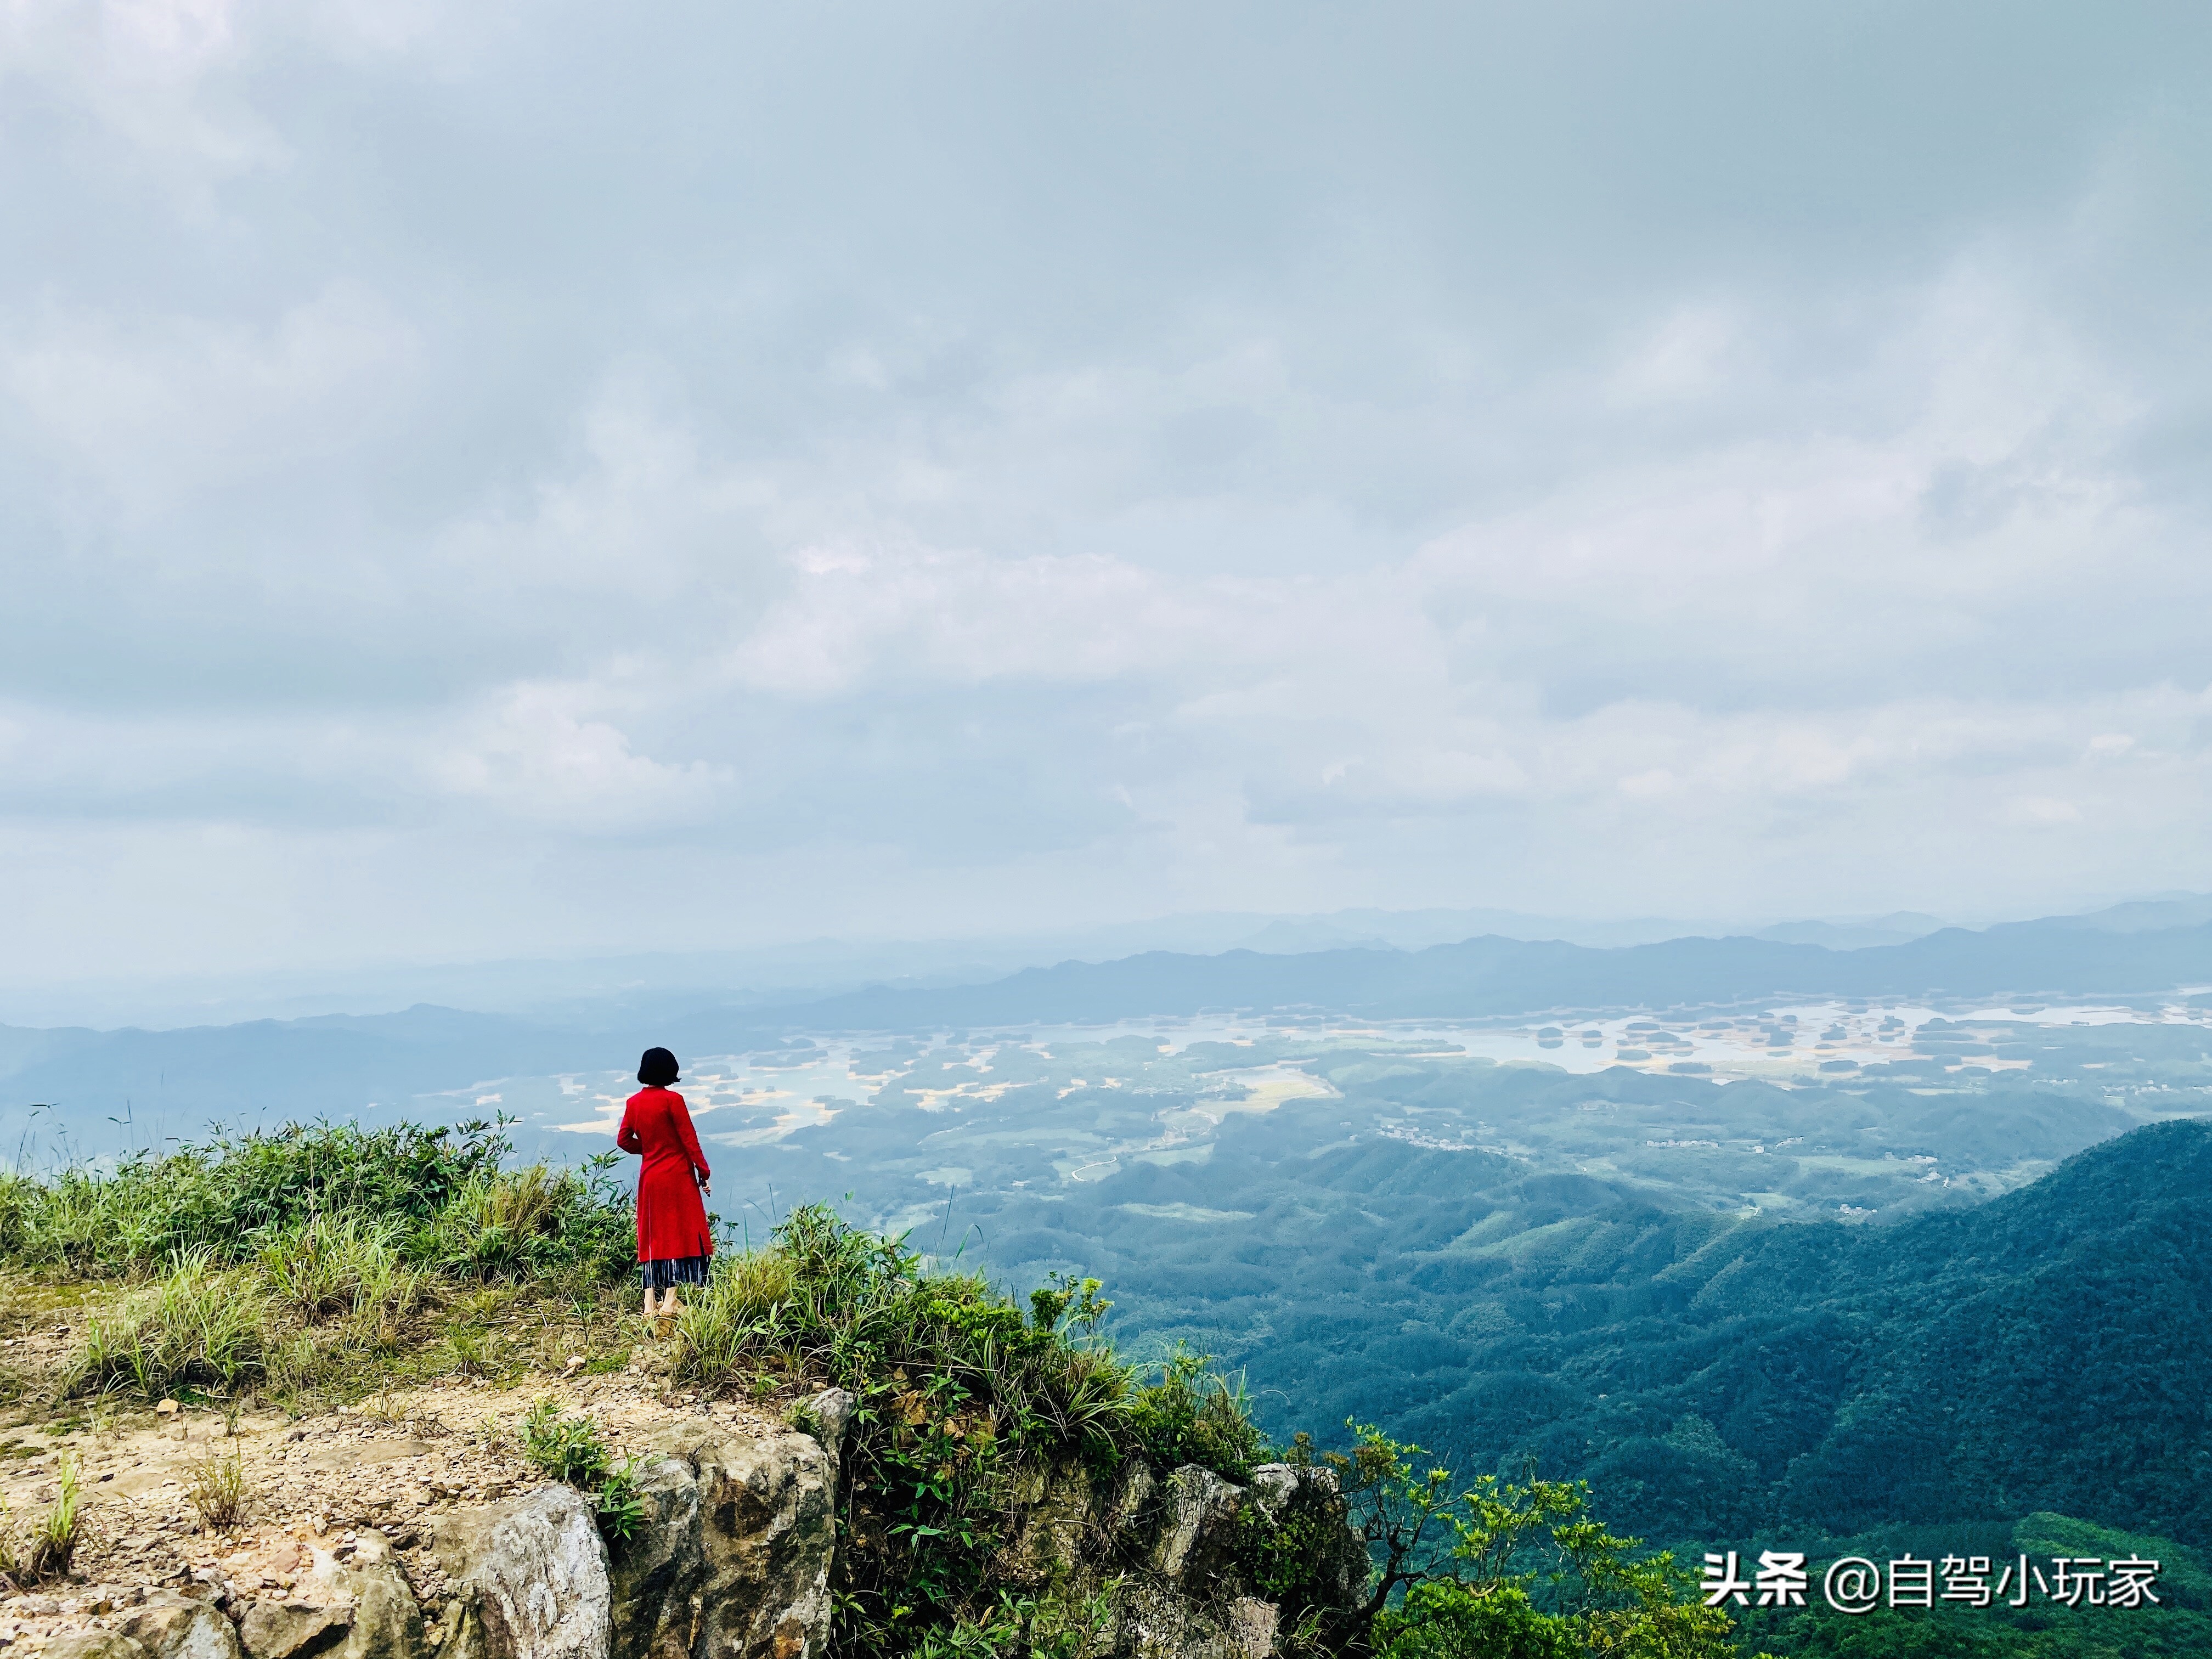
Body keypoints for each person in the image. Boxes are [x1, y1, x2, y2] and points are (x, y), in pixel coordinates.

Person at [616, 1046, 713, 1324]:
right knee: (680, 1233)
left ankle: (649, 1303)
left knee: (652, 1235)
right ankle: (670, 1301)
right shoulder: (674, 1101)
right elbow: (689, 1141)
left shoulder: (634, 1103)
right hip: (678, 1177)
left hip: (651, 1178)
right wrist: (703, 1172)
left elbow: (623, 1141)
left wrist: (649, 1148)